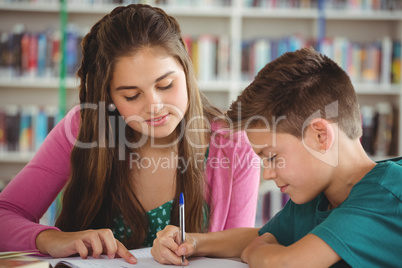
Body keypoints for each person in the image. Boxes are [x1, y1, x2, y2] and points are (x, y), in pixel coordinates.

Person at [0, 4, 260, 263]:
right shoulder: (84, 127)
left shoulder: (233, 144)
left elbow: (239, 251)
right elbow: (5, 212)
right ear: (109, 97)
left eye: (166, 84)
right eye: (132, 95)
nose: (155, 106)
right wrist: (49, 238)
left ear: (186, 70)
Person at [151, 47, 402, 267]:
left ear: (320, 137)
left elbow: (285, 262)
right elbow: (262, 235)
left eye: (271, 157)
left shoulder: (387, 192)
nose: (267, 173)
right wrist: (193, 241)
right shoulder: (315, 196)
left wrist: (258, 251)